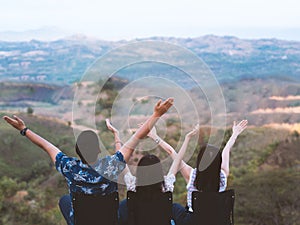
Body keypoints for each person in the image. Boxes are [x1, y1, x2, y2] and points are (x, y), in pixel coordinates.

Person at [2, 97, 174, 225]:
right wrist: (156, 115)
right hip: (109, 221)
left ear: (77, 151)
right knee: (124, 205)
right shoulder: (111, 166)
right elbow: (137, 136)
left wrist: (24, 129)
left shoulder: (69, 167)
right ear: (99, 150)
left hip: (83, 221)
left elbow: (46, 146)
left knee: (64, 200)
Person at [148, 120, 248, 224]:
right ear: (218, 162)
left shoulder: (191, 175)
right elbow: (226, 150)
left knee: (173, 207)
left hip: (193, 221)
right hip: (216, 220)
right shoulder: (223, 176)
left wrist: (154, 137)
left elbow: (171, 152)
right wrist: (235, 134)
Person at [105, 121, 199, 225]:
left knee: (123, 205)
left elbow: (120, 159)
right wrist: (187, 138)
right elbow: (176, 158)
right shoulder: (166, 186)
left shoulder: (132, 184)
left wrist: (116, 135)